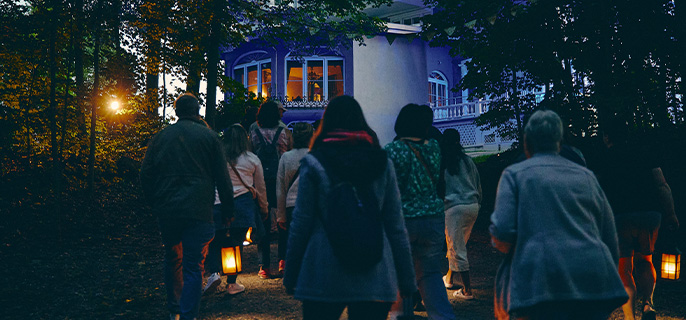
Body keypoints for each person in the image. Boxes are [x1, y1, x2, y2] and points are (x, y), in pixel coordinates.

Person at [283, 95, 416, 320]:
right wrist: (406, 279)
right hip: (374, 269)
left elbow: (301, 224)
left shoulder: (314, 162)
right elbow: (396, 226)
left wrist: (292, 273)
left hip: (323, 269)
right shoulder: (382, 162)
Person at [489, 110, 627, 320]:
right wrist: (607, 275)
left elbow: (502, 231)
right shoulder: (586, 176)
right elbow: (609, 234)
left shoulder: (514, 175)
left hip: (541, 282)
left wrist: (518, 250)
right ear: (560, 142)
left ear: (526, 143)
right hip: (592, 279)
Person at [140, 93, 234, 320]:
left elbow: (145, 174)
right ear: (197, 111)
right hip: (199, 209)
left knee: (172, 257)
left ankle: (174, 311)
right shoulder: (209, 137)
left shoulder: (161, 138)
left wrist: (155, 201)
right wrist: (228, 210)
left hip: (169, 210)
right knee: (193, 265)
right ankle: (189, 314)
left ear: (176, 111)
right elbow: (223, 177)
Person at [599, 117, 680, 320]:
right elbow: (662, 185)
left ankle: (629, 317)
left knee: (624, 268)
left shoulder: (605, 158)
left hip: (619, 217)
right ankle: (648, 305)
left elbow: (596, 193)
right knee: (646, 260)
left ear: (608, 136)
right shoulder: (644, 153)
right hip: (649, 215)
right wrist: (671, 214)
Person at [385, 104, 456, 320]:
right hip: (433, 219)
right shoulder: (434, 147)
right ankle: (443, 316)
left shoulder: (392, 150)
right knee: (430, 273)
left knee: (401, 273)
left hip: (404, 219)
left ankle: (401, 316)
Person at [203, 124, 269, 295]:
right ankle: (232, 283)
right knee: (235, 242)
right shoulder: (252, 159)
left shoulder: (216, 158)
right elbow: (260, 187)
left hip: (217, 203)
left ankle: (214, 273)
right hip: (242, 206)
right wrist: (264, 208)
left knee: (215, 241)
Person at [250, 100, 293, 279]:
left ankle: (264, 266)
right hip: (280, 179)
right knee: (283, 220)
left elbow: (250, 153)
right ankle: (282, 261)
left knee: (263, 222)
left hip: (260, 179)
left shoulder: (253, 131)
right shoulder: (284, 131)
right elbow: (289, 152)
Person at [440, 128, 482, 300]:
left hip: (454, 208)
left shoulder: (443, 162)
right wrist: (478, 202)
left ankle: (467, 290)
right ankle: (449, 278)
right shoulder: (467, 161)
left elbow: (440, 188)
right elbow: (477, 183)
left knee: (456, 246)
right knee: (458, 244)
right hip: (472, 206)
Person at [276, 122, 314, 277]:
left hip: (292, 205)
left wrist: (281, 215)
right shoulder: (316, 155)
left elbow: (281, 188)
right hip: (312, 205)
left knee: (295, 241)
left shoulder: (286, 157)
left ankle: (294, 273)